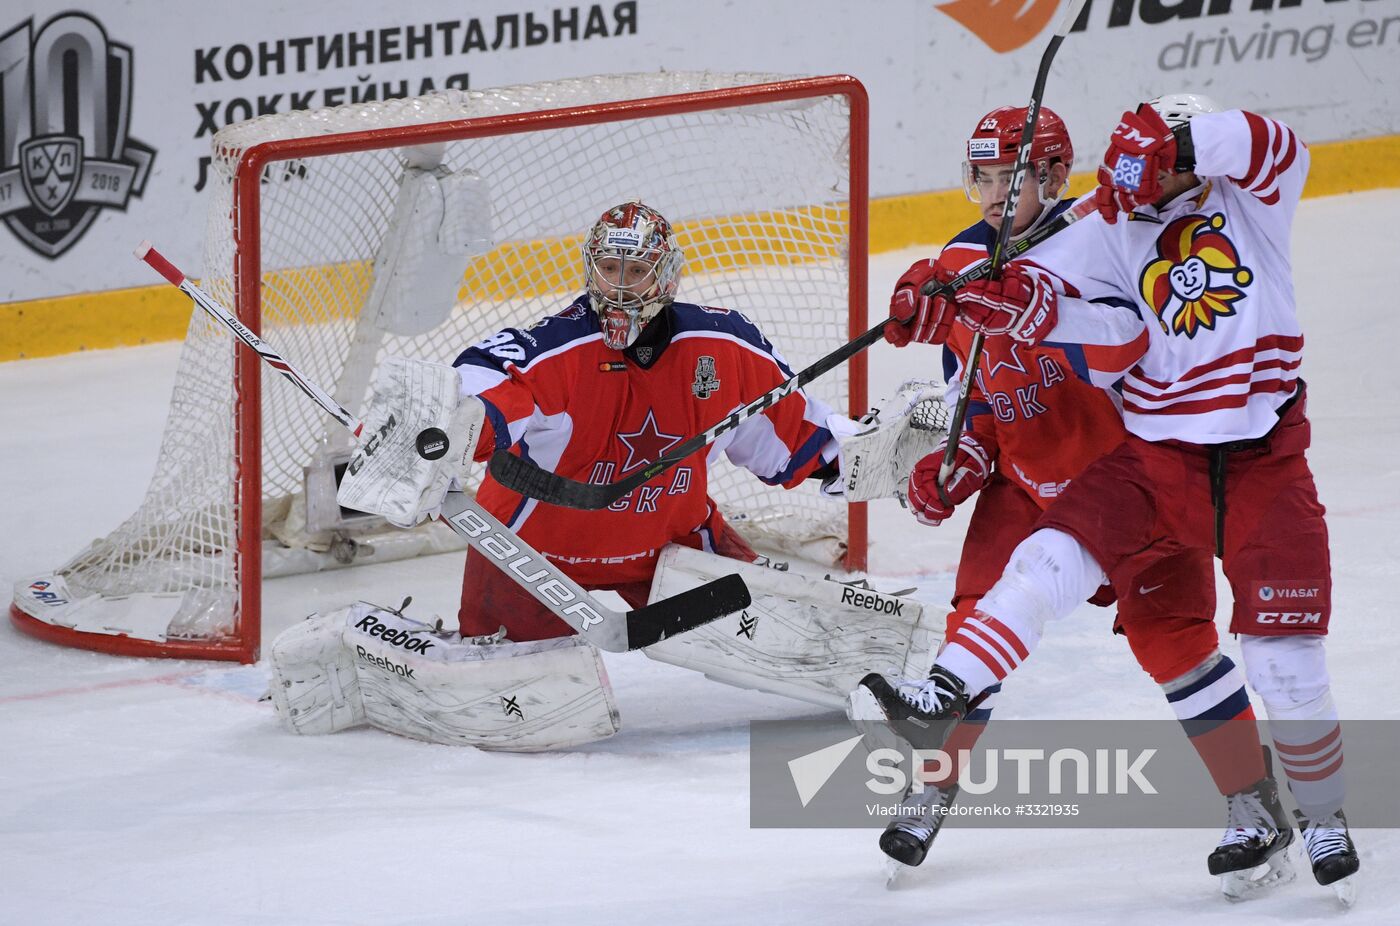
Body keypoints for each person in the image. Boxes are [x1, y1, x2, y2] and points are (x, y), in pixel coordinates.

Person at [860, 95, 1359, 902]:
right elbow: (977, 392)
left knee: (1178, 647)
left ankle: (1252, 801)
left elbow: (1120, 334)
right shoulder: (964, 259)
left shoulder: (1101, 233)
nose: (992, 192)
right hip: (1027, 482)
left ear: (1058, 173)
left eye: (1009, 175)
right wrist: (965, 455)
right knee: (980, 621)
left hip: (1133, 466)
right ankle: (931, 788)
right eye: (978, 176)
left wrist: (1028, 304)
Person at [271, 200, 945, 752]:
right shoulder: (556, 348)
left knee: (805, 640)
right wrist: (438, 427)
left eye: (637, 269)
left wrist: (889, 455)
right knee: (521, 703)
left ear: (669, 275)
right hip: (532, 558)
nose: (620, 286)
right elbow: (484, 385)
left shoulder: (723, 349)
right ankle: (363, 649)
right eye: (608, 266)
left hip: (673, 546)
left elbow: (796, 440)